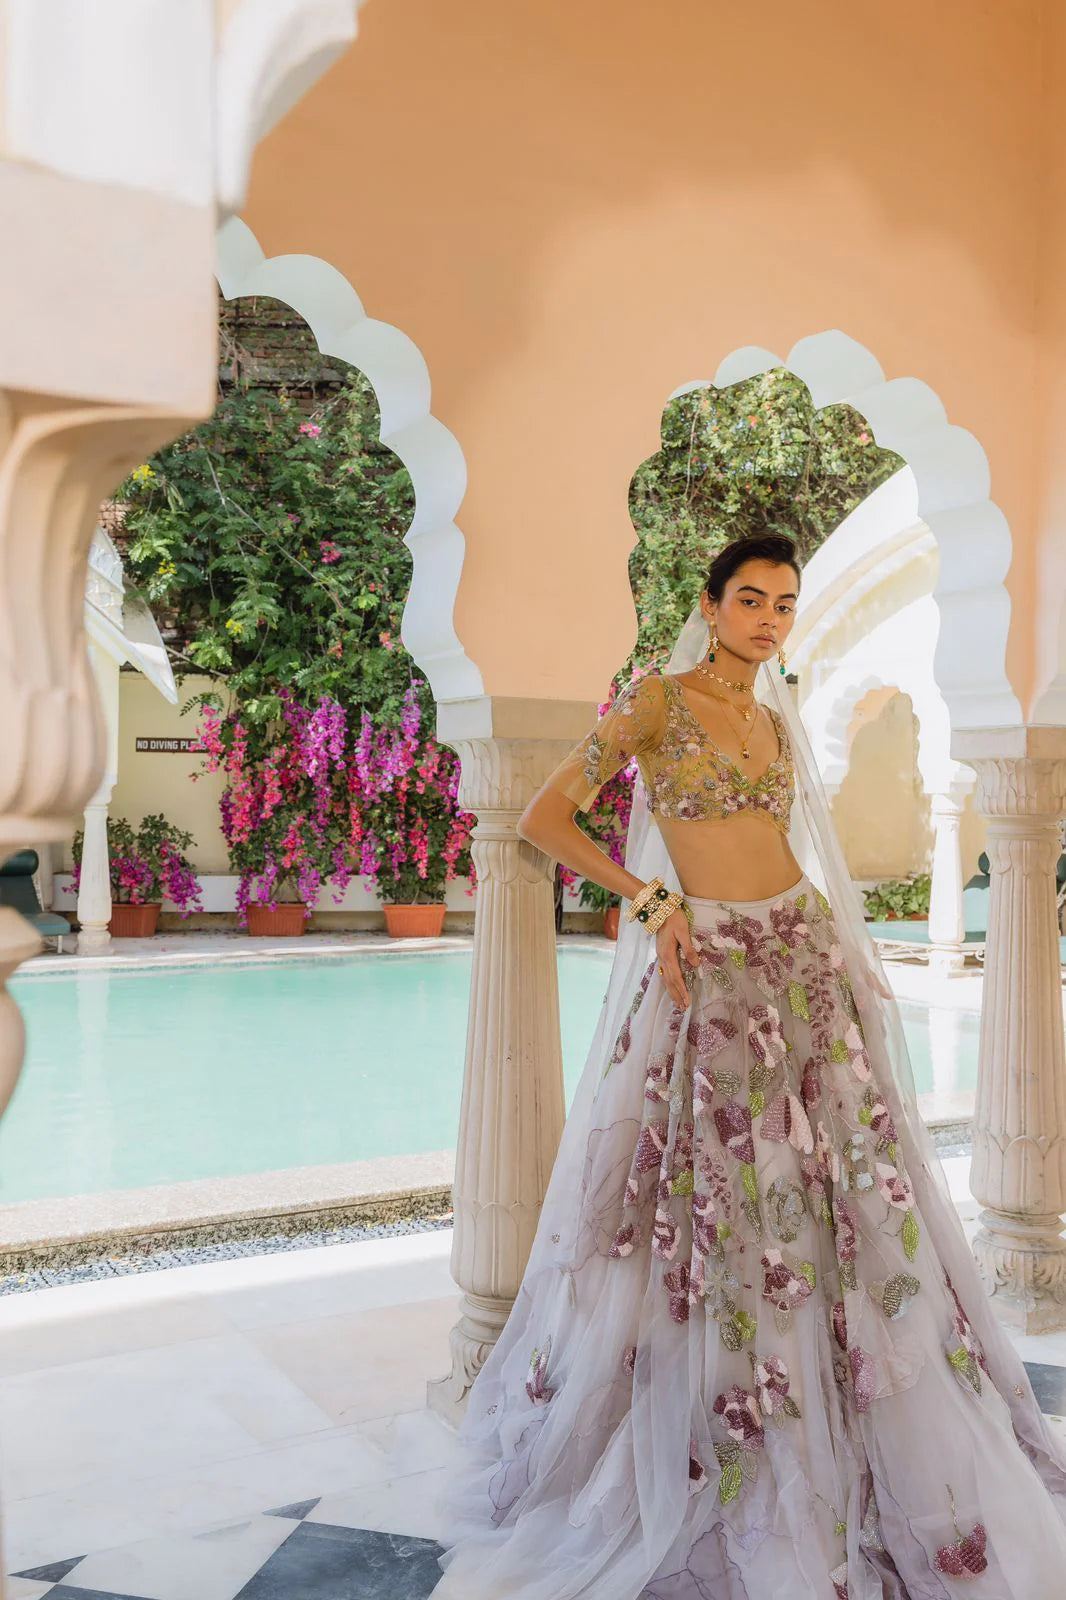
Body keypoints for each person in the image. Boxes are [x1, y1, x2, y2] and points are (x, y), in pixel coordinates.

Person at [432, 533, 1066, 1599]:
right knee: (717, 1203)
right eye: (751, 599)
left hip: (797, 958)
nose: (769, 618)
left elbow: (792, 852)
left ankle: (845, 1426)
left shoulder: (774, 719)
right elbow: (545, 817)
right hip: (706, 972)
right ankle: (725, 1429)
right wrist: (650, 897)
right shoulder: (654, 702)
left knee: (839, 1200)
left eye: (784, 603)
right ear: (710, 603)